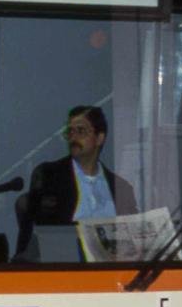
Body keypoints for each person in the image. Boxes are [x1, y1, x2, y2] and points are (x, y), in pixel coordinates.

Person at [16, 105, 137, 255]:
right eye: (70, 132)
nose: (73, 138)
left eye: (81, 131)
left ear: (99, 138)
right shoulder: (50, 175)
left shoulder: (121, 188)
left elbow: (133, 239)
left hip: (113, 265)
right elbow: (43, 230)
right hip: (66, 261)